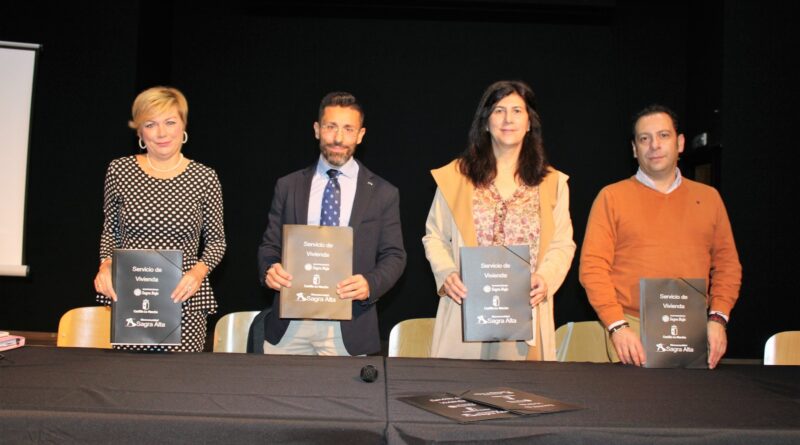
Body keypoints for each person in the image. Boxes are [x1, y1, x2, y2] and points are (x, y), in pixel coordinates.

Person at [422, 80, 576, 361]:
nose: (508, 119)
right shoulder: (456, 176)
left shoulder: (553, 182)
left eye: (517, 111)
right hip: (465, 307)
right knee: (460, 397)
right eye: (499, 110)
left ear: (529, 123)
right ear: (485, 122)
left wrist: (546, 278)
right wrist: (446, 273)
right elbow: (434, 235)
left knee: (520, 398)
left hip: (524, 314)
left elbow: (563, 244)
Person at [579, 104, 741, 369]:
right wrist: (617, 326)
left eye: (663, 136)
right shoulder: (611, 197)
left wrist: (718, 319)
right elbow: (592, 268)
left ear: (680, 143)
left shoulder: (709, 199)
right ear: (634, 149)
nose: (654, 145)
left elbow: (728, 266)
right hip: (630, 332)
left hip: (695, 332)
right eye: (644, 138)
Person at [257, 91, 406, 356]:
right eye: (331, 127)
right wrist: (269, 269)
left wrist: (370, 283)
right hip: (290, 324)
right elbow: (270, 245)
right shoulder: (288, 186)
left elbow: (395, 255)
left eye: (348, 129)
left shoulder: (383, 192)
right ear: (317, 130)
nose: (338, 138)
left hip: (350, 327)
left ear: (360, 135)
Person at [93, 86, 226, 352]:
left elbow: (217, 242)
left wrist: (198, 273)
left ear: (183, 125)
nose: (162, 133)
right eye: (151, 124)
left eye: (170, 122)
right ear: (140, 131)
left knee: (181, 386)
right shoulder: (120, 170)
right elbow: (111, 231)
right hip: (130, 297)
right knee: (126, 385)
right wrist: (105, 265)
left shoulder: (205, 177)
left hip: (184, 300)